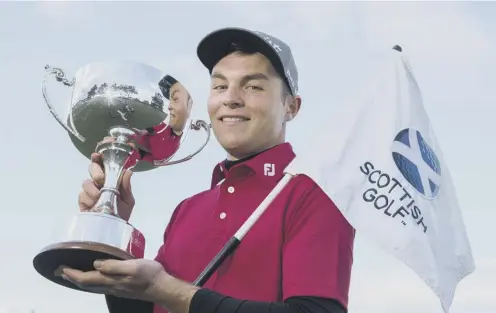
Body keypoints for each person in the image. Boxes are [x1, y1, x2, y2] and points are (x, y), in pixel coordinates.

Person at [70, 27, 355, 313]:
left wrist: (171, 291)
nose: (230, 98)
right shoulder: (188, 209)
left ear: (291, 107)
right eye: (219, 86)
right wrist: (111, 232)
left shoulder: (315, 192)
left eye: (253, 86)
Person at [123, 75, 192, 170]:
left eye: (175, 99)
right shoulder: (167, 129)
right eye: (171, 100)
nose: (169, 106)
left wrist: (127, 157)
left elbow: (140, 155)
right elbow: (156, 129)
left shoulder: (165, 153)